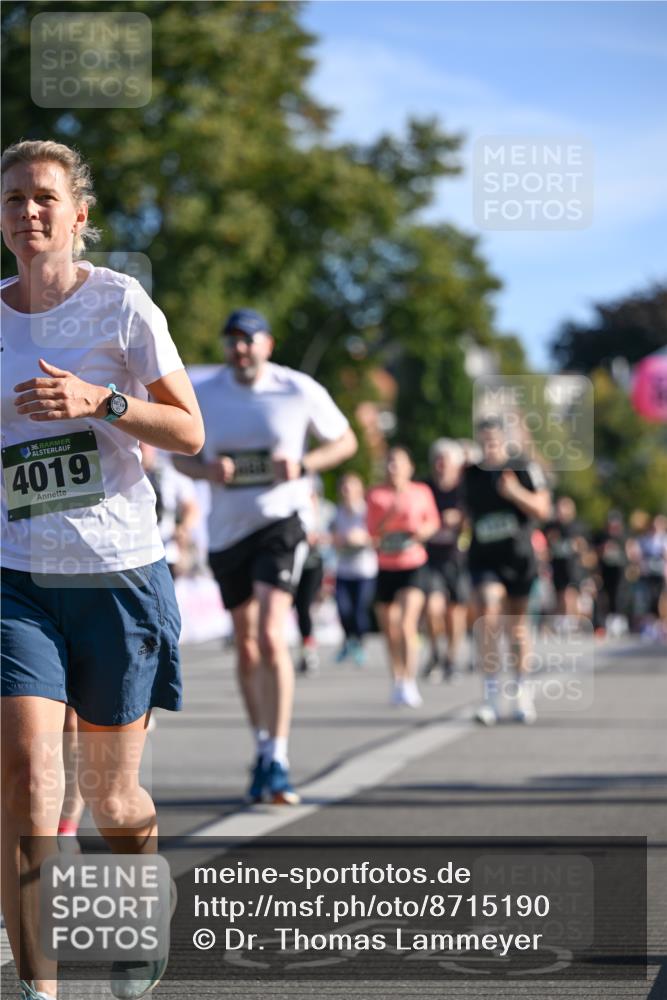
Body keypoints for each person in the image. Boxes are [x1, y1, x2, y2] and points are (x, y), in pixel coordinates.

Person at [1, 140, 204, 1000]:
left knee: (113, 799)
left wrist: (102, 402)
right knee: (27, 775)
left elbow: (190, 433)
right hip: (17, 577)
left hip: (117, 574)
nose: (28, 211)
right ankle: (40, 990)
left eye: (45, 196)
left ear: (79, 215)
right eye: (13, 199)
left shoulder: (122, 305)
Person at [174, 308, 356, 804]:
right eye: (232, 340)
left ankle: (279, 756)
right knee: (247, 644)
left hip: (282, 521)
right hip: (227, 532)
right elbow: (177, 454)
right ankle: (261, 746)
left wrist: (303, 464)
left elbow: (345, 440)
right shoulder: (205, 392)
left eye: (249, 340)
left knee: (272, 634)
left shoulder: (296, 389)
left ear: (268, 345)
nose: (240, 349)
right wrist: (205, 472)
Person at [464, 417, 551, 725]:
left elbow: (543, 509)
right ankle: (489, 695)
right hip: (484, 560)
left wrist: (514, 492)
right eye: (484, 441)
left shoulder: (523, 468)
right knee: (488, 612)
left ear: (504, 441)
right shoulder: (471, 474)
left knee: (517, 628)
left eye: (494, 441)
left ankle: (521, 691)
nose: (489, 447)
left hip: (519, 561)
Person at [367, 447, 440, 707]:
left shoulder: (421, 492)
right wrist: (392, 511)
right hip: (386, 565)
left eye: (397, 463)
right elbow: (372, 531)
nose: (392, 468)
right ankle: (397, 678)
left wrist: (422, 531)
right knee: (390, 629)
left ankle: (409, 680)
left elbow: (433, 521)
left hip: (413, 564)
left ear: (409, 467)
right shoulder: (376, 495)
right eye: (389, 463)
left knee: (408, 624)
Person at [422, 439, 470, 681]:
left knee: (455, 611)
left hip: (459, 557)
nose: (440, 465)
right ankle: (434, 653)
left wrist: (461, 518)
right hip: (432, 557)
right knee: (432, 608)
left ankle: (452, 657)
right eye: (437, 460)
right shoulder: (425, 487)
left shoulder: (465, 487)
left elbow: (475, 515)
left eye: (446, 460)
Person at [331, 472, 378, 665]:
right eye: (344, 488)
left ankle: (359, 643)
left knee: (359, 610)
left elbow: (377, 537)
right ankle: (348, 641)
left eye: (350, 487)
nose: (347, 492)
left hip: (364, 570)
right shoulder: (338, 512)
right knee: (343, 610)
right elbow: (331, 537)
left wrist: (362, 539)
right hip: (343, 569)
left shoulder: (367, 511)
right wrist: (340, 541)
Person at [140, 443, 200, 579]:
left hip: (165, 552)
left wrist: (183, 529)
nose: (141, 448)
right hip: (134, 553)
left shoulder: (170, 471)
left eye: (144, 444)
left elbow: (191, 507)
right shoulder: (122, 472)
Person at [544, 496, 588, 619]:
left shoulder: (578, 526)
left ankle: (572, 621)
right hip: (557, 567)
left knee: (570, 595)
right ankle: (564, 620)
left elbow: (584, 547)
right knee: (559, 595)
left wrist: (576, 545)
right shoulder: (551, 526)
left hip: (573, 567)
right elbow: (546, 547)